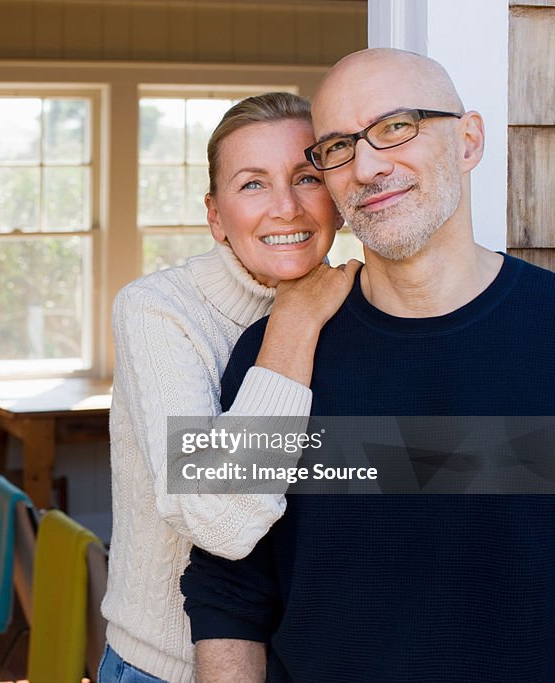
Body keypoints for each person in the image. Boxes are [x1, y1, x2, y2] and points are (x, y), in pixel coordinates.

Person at [181, 48, 555, 682]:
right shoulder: (270, 356)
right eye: (338, 146)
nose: (367, 165)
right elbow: (226, 590)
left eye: (397, 126)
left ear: (469, 140)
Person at [99, 92, 359, 682]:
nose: (286, 208)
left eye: (307, 177)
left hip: (297, 664)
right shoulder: (158, 312)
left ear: (339, 200)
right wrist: (293, 321)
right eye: (252, 185)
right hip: (163, 668)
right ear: (215, 216)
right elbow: (222, 522)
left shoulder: (359, 306)